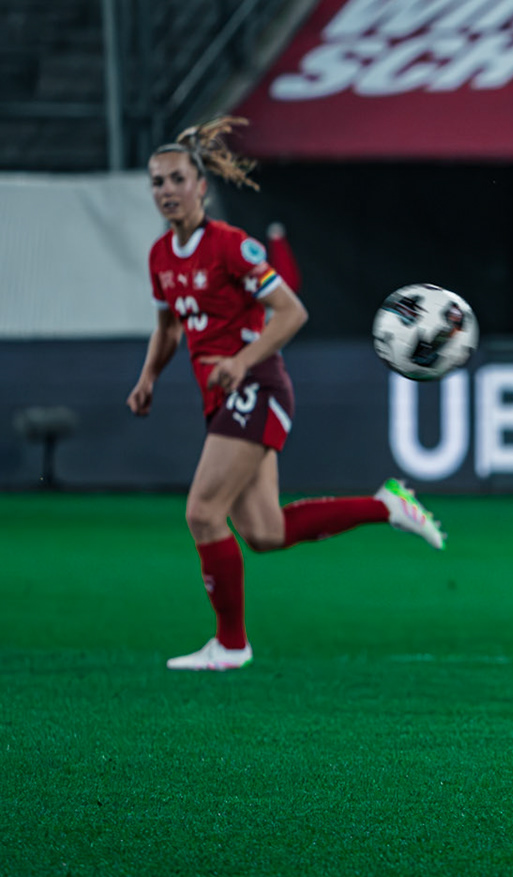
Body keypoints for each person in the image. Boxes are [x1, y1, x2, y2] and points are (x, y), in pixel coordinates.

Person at [128, 118, 444, 672]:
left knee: (203, 513)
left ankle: (230, 645)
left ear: (201, 186)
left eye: (177, 179)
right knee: (264, 532)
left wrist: (241, 361)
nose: (167, 191)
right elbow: (171, 327)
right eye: (157, 182)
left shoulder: (232, 247)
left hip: (256, 384)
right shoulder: (160, 257)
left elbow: (292, 312)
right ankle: (387, 505)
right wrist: (149, 376)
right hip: (223, 396)